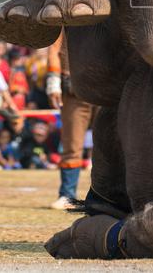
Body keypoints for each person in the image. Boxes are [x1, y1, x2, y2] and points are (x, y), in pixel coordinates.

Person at [45, 31, 97, 210]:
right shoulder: (65, 21)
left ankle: (109, 197)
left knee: (111, 145)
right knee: (72, 145)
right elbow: (54, 47)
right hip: (74, 88)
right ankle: (67, 194)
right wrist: (53, 81)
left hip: (107, 87)